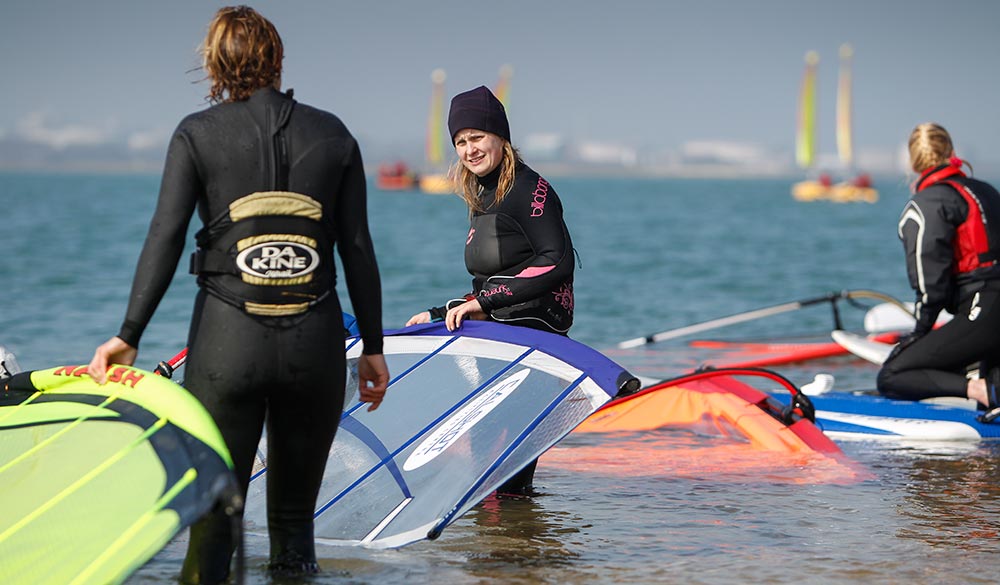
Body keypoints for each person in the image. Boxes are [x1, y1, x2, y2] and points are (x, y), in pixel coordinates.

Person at [86, 6, 389, 582]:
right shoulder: (333, 134)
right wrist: (372, 346)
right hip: (313, 344)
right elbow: (357, 249)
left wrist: (129, 335)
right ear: (278, 60)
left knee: (216, 521)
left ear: (215, 63)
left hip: (228, 345)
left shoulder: (197, 134)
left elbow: (165, 236)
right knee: (295, 527)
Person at [406, 85, 575, 495]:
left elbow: (557, 259)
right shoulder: (482, 192)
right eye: (460, 142)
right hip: (499, 337)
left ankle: (514, 551)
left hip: (532, 341)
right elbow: (494, 280)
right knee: (487, 471)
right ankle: (507, 548)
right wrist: (442, 310)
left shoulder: (529, 189)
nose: (469, 149)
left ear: (500, 137)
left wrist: (484, 303)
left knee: (506, 475)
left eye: (477, 137)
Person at [877, 122, 1000, 422]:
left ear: (913, 163)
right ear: (950, 151)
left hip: (985, 311)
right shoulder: (987, 190)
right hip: (988, 317)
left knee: (893, 374)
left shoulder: (925, 204)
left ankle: (982, 390)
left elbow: (930, 285)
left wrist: (919, 332)